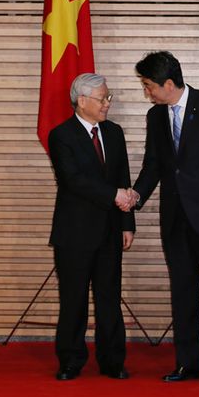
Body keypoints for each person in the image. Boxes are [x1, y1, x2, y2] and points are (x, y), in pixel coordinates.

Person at [127, 50, 199, 387]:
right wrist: (136, 195)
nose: (146, 92)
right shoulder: (155, 116)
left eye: (148, 85)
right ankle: (187, 363)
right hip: (175, 219)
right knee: (183, 293)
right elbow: (154, 165)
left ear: (168, 83)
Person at [48, 73, 135, 381]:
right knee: (73, 300)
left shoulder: (114, 133)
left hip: (111, 231)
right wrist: (114, 195)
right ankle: (71, 360)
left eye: (108, 98)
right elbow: (73, 180)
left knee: (109, 298)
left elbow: (122, 176)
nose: (107, 105)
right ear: (82, 101)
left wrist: (127, 223)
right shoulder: (60, 135)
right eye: (103, 99)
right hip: (74, 233)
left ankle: (113, 361)